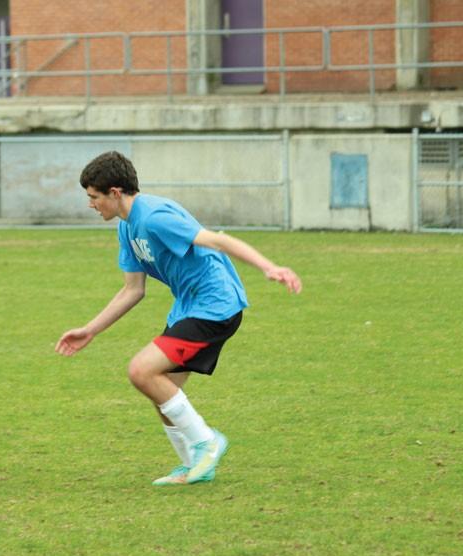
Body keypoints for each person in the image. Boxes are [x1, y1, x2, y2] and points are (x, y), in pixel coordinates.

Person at [55, 151, 301, 486]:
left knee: (141, 370)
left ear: (115, 192)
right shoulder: (126, 229)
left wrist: (269, 267)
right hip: (190, 308)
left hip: (215, 305)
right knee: (163, 390)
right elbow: (132, 290)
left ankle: (206, 442)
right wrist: (90, 330)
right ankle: (194, 466)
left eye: (93, 197)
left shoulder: (154, 216)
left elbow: (216, 239)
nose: (90, 205)